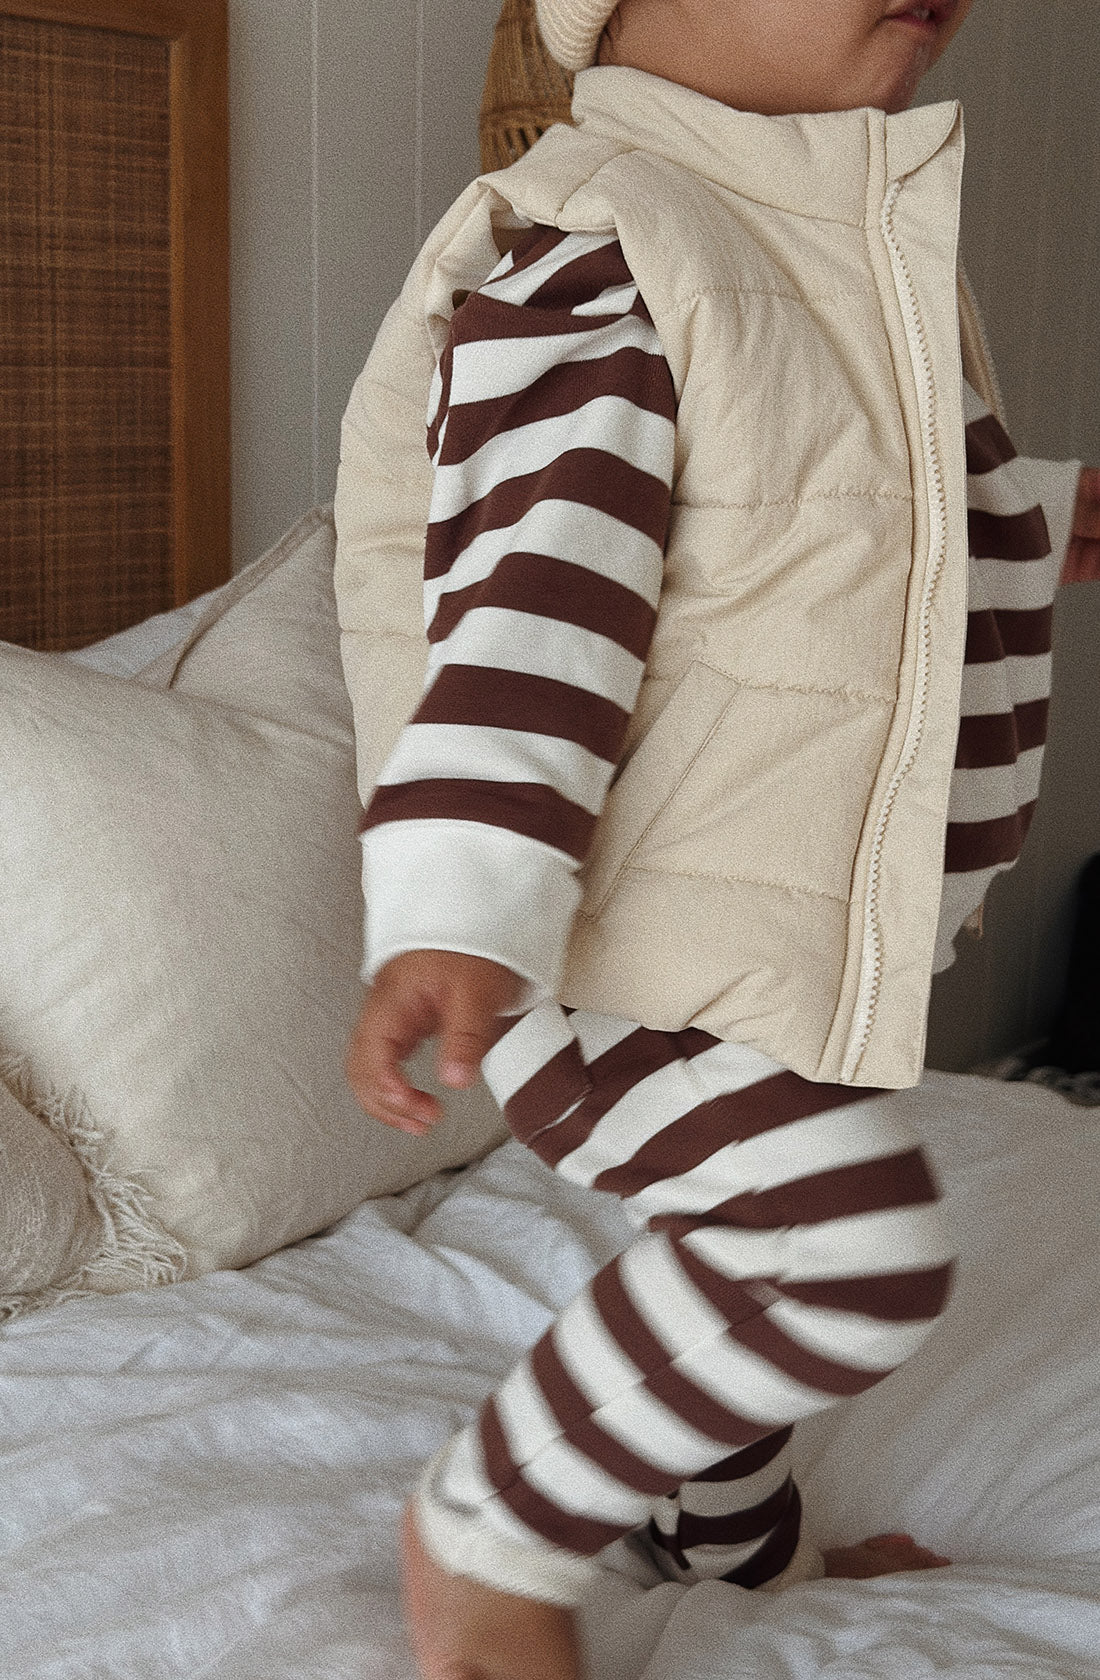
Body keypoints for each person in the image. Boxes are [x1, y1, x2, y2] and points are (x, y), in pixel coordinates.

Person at [334, 3, 1100, 1676]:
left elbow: (832, 523)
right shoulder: (605, 251)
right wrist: (458, 901)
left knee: (738, 1241)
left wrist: (1031, 516)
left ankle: (736, 1559)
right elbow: (531, 612)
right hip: (613, 958)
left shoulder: (824, 236)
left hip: (752, 936)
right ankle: (488, 1527)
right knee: (838, 1251)